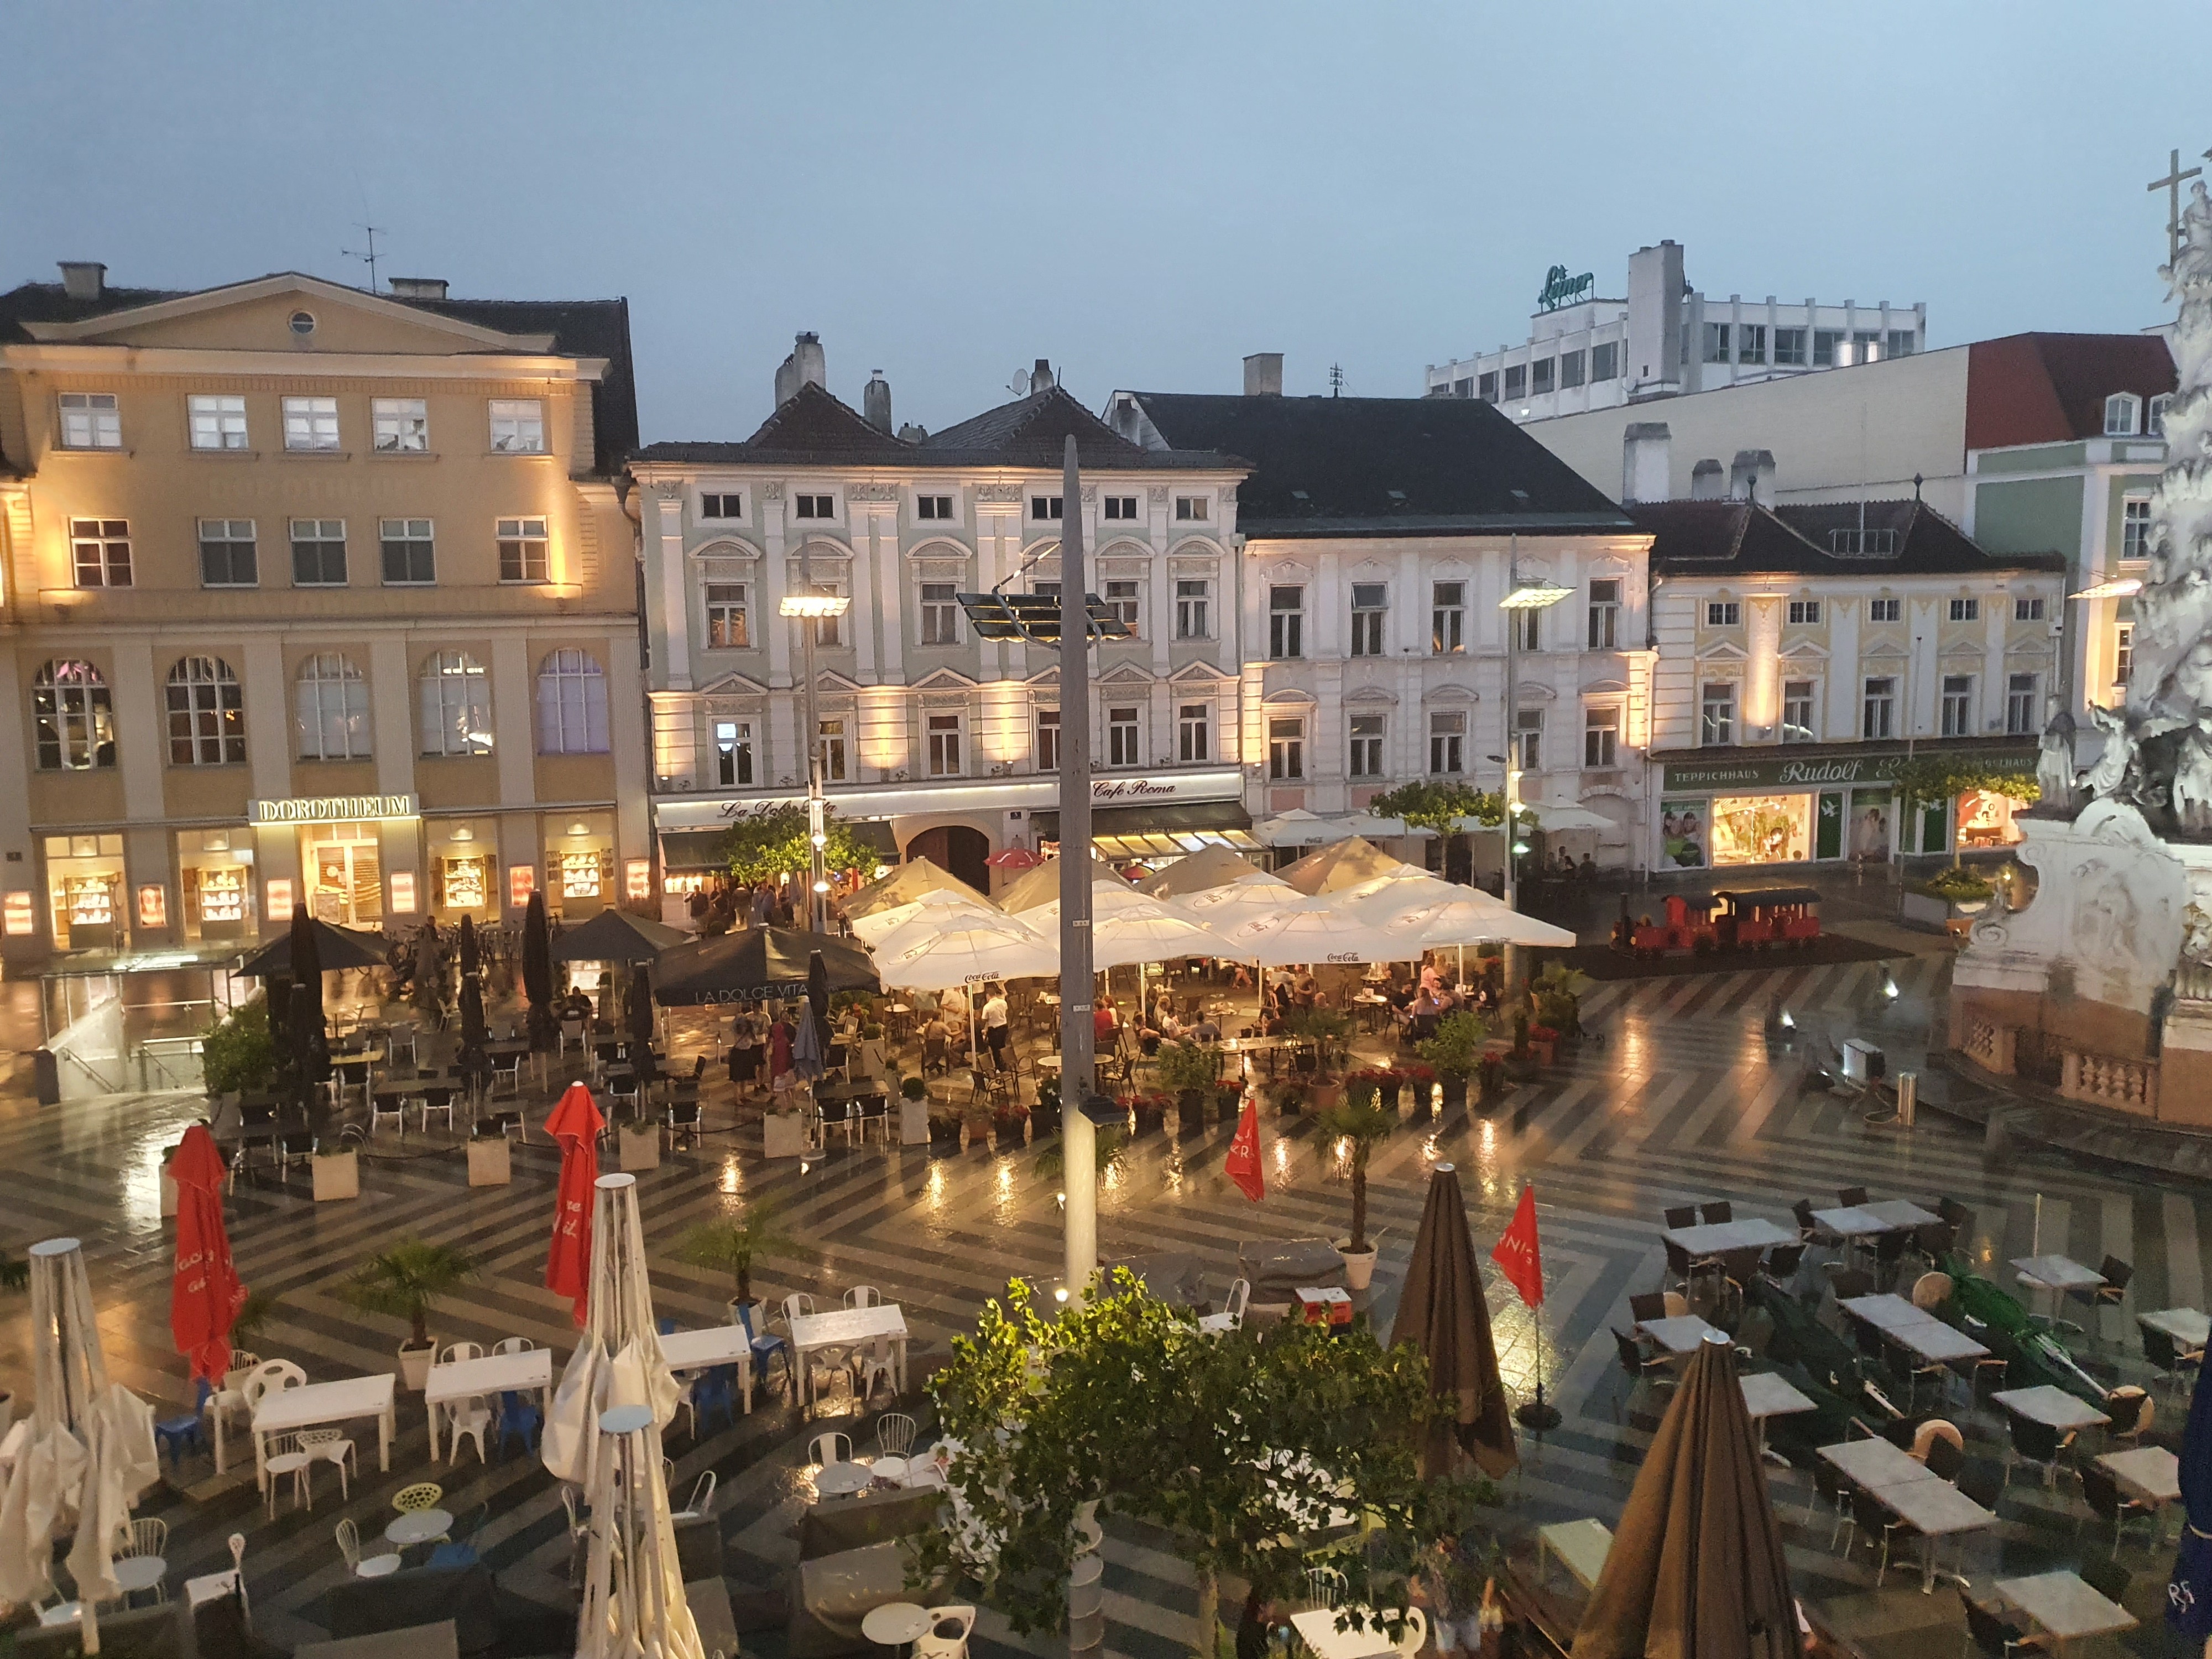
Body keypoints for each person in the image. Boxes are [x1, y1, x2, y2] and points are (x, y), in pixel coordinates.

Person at [981, 985, 1010, 1062]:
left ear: (988, 996)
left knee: (995, 1049)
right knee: (1003, 1046)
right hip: (1004, 1027)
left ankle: (999, 1066)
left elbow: (984, 1018)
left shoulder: (987, 1007)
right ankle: (1005, 1062)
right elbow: (1005, 1011)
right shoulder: (1003, 1002)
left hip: (994, 1030)